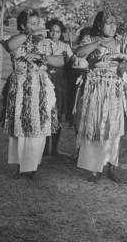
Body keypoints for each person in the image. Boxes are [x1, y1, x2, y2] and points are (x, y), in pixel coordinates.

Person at [75, 10, 127, 183]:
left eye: (114, 23)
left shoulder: (120, 40)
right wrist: (97, 44)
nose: (112, 26)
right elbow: (79, 53)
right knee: (94, 125)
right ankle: (94, 168)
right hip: (95, 88)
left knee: (114, 126)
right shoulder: (90, 39)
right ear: (99, 25)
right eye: (108, 23)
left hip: (114, 88)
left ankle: (112, 166)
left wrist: (122, 55)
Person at [1, 10, 62, 180]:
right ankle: (20, 166)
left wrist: (43, 56)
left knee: (37, 124)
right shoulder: (13, 39)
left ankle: (32, 166)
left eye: (37, 23)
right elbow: (9, 47)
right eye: (32, 23)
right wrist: (28, 34)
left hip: (39, 86)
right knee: (19, 124)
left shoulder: (47, 43)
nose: (37, 26)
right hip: (20, 86)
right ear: (22, 25)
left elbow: (60, 61)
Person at [43, 18, 74, 156]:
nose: (54, 34)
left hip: (60, 81)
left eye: (57, 31)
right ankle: (44, 148)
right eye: (52, 31)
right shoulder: (42, 44)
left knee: (57, 115)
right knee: (45, 114)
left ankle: (54, 148)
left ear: (61, 33)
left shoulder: (65, 46)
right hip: (46, 79)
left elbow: (72, 63)